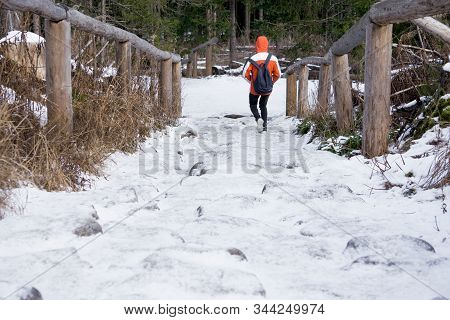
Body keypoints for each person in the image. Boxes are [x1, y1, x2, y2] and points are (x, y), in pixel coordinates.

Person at [242, 36, 281, 132]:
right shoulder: (273, 58)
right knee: (263, 106)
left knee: (253, 105)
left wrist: (251, 81)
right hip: (267, 88)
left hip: (254, 88)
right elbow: (278, 74)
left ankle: (258, 118)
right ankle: (265, 126)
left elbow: (244, 74)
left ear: (257, 45)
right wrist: (271, 82)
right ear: (267, 45)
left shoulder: (252, 58)